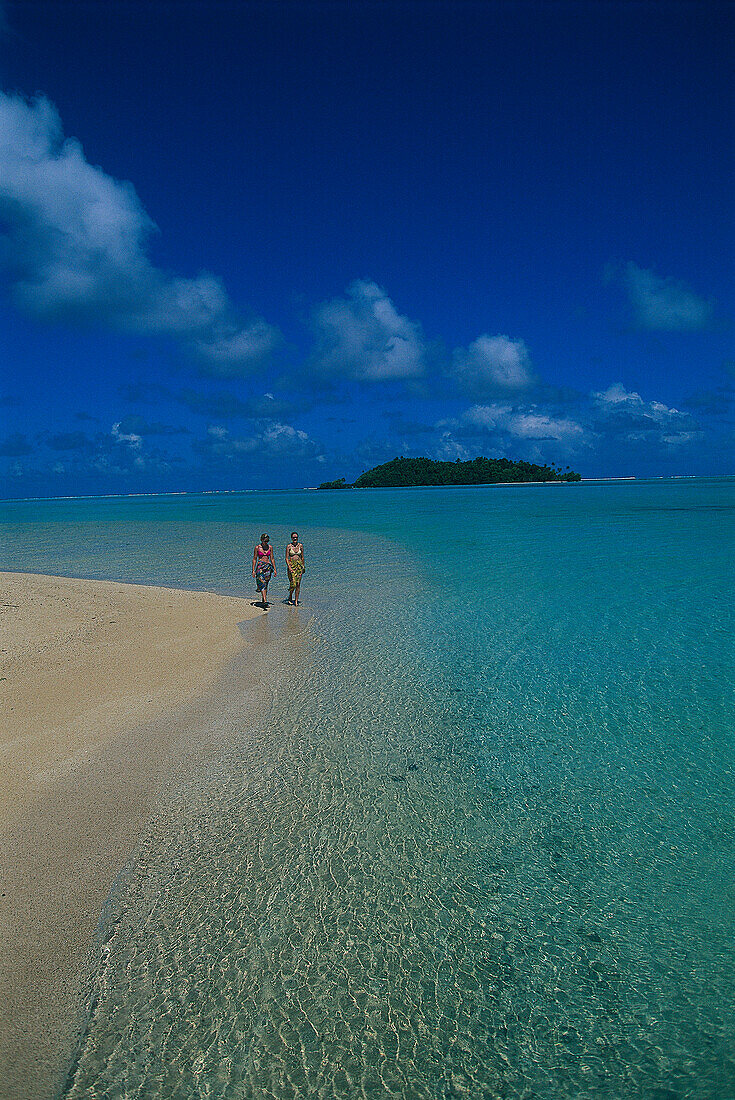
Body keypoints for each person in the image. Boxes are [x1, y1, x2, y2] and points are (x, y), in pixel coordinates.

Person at [252, 533, 276, 609]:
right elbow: (254, 559)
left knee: (266, 584)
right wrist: (253, 570)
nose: (266, 542)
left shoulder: (270, 547)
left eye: (267, 541)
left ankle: (263, 601)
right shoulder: (257, 548)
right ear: (261, 540)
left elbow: (272, 558)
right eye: (265, 541)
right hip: (260, 566)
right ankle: (265, 601)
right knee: (261, 582)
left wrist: (275, 569)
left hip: (268, 566)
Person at [285, 531, 305, 605]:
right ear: (291, 538)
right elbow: (286, 558)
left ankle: (296, 600)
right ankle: (290, 596)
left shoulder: (300, 546)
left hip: (299, 566)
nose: (295, 538)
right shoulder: (289, 546)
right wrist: (289, 567)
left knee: (298, 584)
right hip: (291, 566)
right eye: (293, 537)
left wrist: (303, 566)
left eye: (296, 537)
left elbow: (302, 557)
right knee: (293, 583)